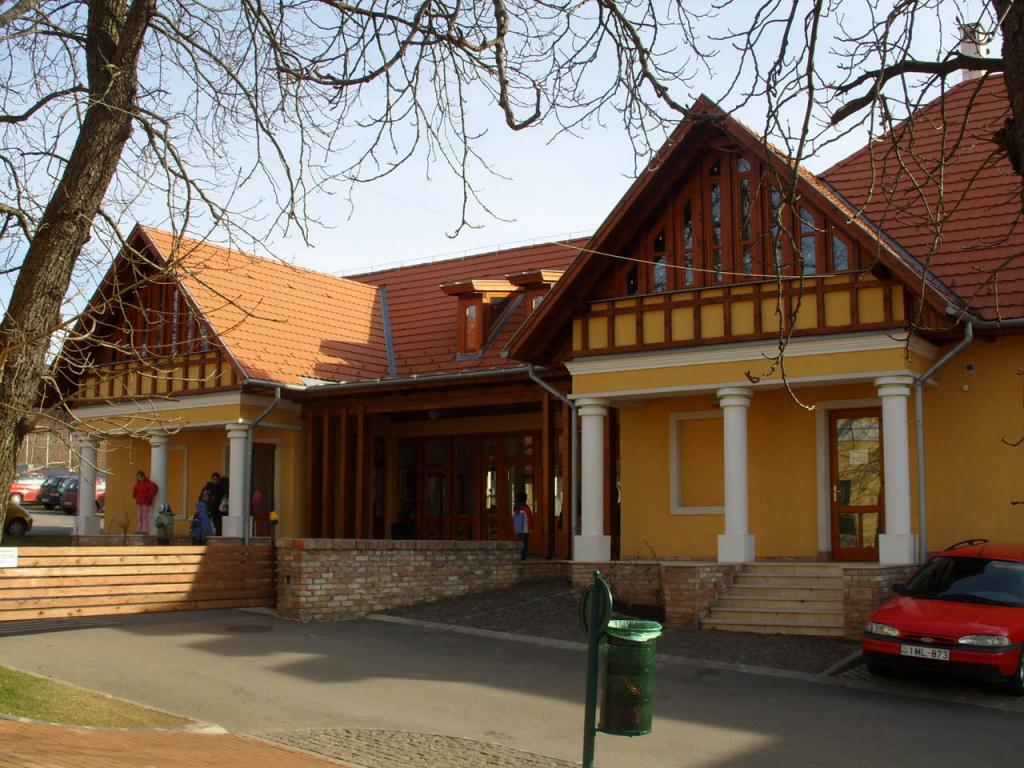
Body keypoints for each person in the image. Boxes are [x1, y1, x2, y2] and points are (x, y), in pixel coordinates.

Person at [131, 470, 158, 535]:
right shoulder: (138, 484)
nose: (140, 478)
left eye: (141, 477)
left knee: (144, 516)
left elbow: (155, 487)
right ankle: (138, 530)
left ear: (143, 476)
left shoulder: (148, 483)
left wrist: (149, 496)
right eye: (138, 477)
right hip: (139, 501)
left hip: (145, 502)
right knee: (139, 516)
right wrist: (134, 495)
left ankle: (145, 530)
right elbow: (135, 490)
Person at [512, 490, 533, 561]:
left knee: (520, 542)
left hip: (518, 529)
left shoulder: (516, 508)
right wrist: (530, 528)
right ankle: (523, 557)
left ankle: (519, 556)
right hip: (525, 529)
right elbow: (530, 518)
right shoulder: (526, 508)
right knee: (525, 544)